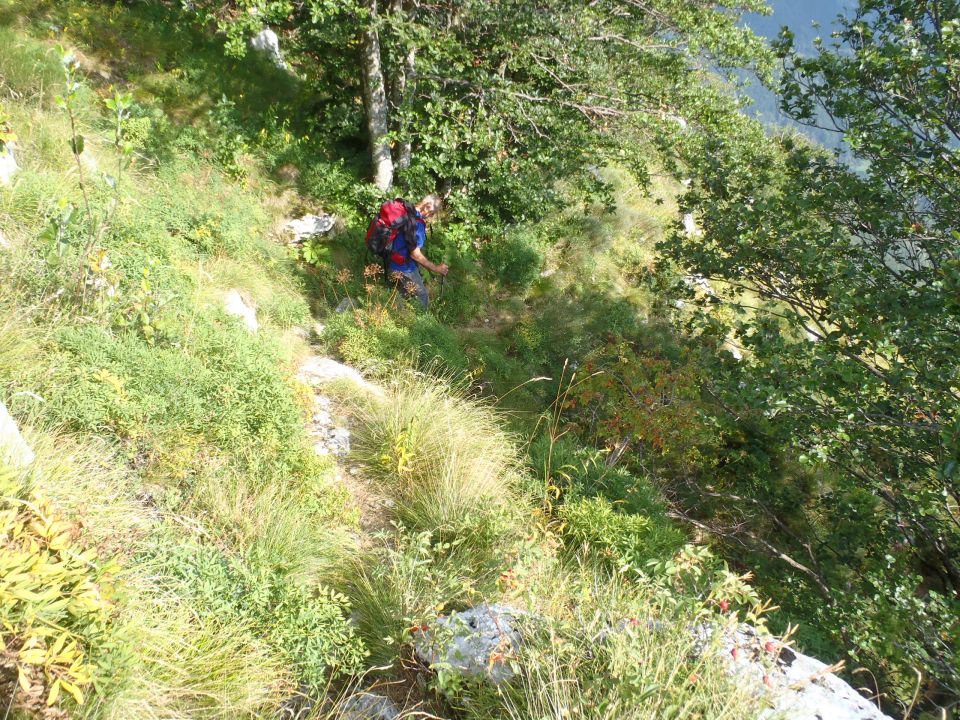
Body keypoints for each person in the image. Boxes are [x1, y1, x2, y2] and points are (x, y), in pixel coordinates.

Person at [387, 195, 449, 308]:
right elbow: (415, 254)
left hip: (391, 263)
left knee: (400, 299)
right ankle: (421, 325)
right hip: (404, 269)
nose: (431, 216)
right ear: (428, 207)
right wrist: (436, 268)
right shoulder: (417, 223)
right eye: (432, 213)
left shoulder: (408, 212)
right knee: (422, 296)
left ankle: (397, 321)